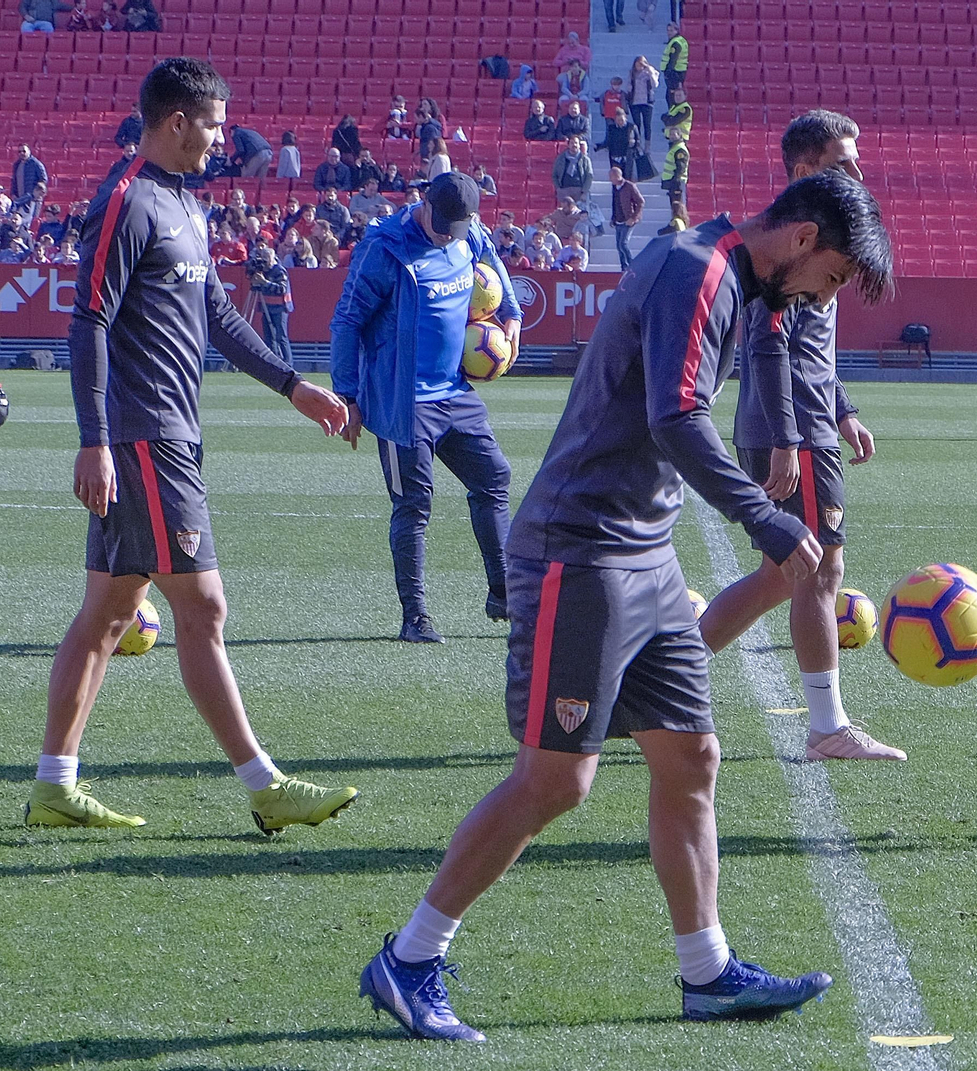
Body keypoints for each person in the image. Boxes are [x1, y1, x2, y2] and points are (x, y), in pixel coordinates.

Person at [357, 168, 893, 1042]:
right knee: (557, 781)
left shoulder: (742, 276)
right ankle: (410, 957)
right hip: (582, 549)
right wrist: (763, 516)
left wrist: (800, 428)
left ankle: (707, 971)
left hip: (644, 553)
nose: (822, 295)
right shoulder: (696, 270)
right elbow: (676, 413)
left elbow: (767, 341)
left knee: (692, 759)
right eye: (830, 276)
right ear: (801, 239)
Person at [31, 58, 357, 832]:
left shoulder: (186, 205)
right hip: (145, 440)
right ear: (175, 122)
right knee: (202, 606)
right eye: (211, 124)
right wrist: (95, 440)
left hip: (172, 436)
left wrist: (294, 386)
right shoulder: (126, 201)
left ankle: (53, 783)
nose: (221, 138)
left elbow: (219, 318)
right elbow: (89, 324)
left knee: (107, 616)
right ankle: (264, 783)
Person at [697, 110, 896, 761]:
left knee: (783, 576)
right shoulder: (796, 241)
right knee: (818, 571)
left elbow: (811, 347)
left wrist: (843, 408)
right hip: (793, 433)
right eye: (844, 159)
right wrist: (788, 436)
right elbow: (768, 339)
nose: (858, 170)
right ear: (807, 169)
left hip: (808, 422)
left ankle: (656, 676)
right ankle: (827, 726)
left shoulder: (820, 233)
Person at [330, 174, 521, 644]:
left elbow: (493, 264)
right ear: (424, 204)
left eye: (459, 227)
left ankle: (505, 594)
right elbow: (347, 320)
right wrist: (348, 395)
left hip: (454, 394)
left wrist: (512, 312)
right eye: (442, 225)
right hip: (402, 404)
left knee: (494, 478)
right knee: (414, 505)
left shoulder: (468, 232)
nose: (448, 235)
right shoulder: (385, 247)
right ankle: (415, 617)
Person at [248, 244, 293, 365]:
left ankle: (288, 363)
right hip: (266, 307)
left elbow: (281, 289)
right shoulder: (262, 270)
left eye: (267, 257)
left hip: (280, 307)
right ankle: (274, 361)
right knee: (268, 337)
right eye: (263, 257)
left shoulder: (279, 270)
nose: (265, 261)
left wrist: (265, 282)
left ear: (273, 258)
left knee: (281, 336)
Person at [608, 165, 642, 271]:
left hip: (628, 220)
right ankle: (624, 266)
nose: (610, 179)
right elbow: (615, 203)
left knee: (623, 243)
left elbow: (641, 202)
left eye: (611, 176)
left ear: (617, 176)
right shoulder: (615, 188)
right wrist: (613, 218)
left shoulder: (630, 186)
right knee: (618, 246)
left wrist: (634, 217)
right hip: (618, 220)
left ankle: (632, 265)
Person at [552, 136, 592, 218]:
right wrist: (558, 188)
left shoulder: (585, 159)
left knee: (578, 215)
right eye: (572, 143)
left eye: (576, 143)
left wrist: (584, 191)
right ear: (568, 145)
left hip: (579, 191)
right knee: (564, 215)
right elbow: (554, 175)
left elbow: (589, 176)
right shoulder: (560, 158)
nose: (574, 145)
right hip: (564, 190)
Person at [629, 56, 659, 148]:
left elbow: (655, 84)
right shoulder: (632, 73)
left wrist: (650, 72)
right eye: (637, 65)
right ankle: (638, 143)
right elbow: (629, 86)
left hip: (647, 102)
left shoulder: (650, 72)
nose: (639, 67)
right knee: (637, 124)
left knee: (647, 124)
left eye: (641, 64)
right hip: (635, 102)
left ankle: (647, 145)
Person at [603, 108, 639, 180]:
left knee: (628, 178)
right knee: (616, 178)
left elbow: (638, 140)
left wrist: (633, 145)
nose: (620, 122)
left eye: (622, 120)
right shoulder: (611, 128)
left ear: (625, 117)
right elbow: (608, 141)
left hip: (628, 156)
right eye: (618, 120)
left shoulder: (632, 127)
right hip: (615, 156)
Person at [661, 126, 689, 213]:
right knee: (674, 206)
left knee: (678, 206)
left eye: (674, 134)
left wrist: (675, 180)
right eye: (670, 134)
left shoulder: (680, 149)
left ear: (679, 135)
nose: (672, 136)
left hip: (676, 182)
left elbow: (680, 167)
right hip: (672, 181)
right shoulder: (674, 147)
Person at [662, 23, 689, 94]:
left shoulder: (675, 43)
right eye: (668, 30)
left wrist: (668, 72)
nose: (669, 33)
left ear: (676, 31)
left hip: (675, 72)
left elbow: (673, 58)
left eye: (671, 30)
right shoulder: (681, 40)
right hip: (680, 70)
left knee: (672, 95)